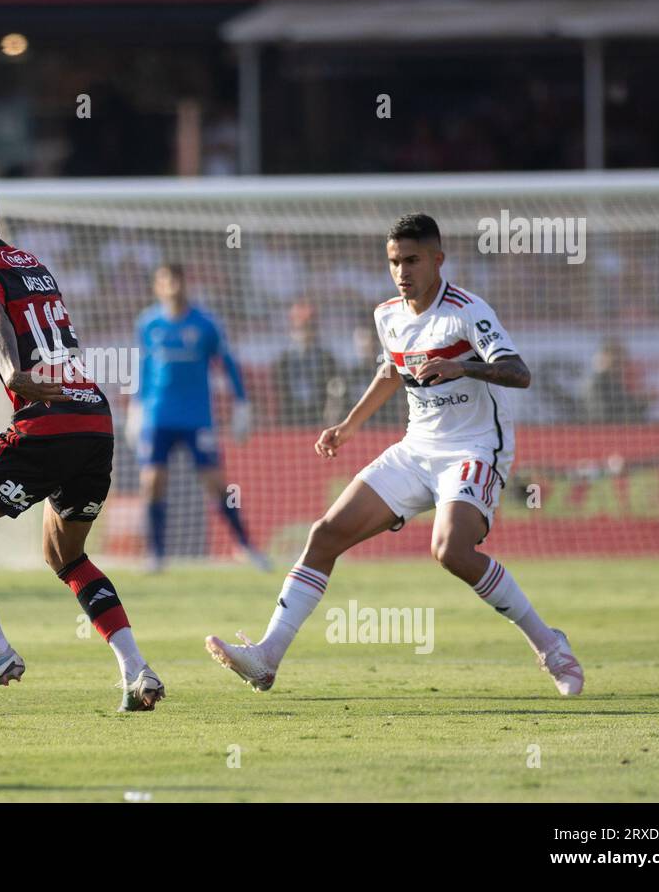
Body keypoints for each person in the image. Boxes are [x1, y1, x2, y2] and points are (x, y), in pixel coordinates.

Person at [206, 213, 584, 697]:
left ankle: (550, 644)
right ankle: (266, 657)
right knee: (324, 534)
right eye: (393, 262)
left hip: (473, 449)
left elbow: (518, 371)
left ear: (437, 260)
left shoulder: (467, 311)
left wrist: (461, 366)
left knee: (450, 551)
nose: (402, 271)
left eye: (412, 260)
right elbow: (390, 372)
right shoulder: (387, 315)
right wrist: (348, 425)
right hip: (416, 449)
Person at [0, 179, 164, 713]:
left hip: (48, 421)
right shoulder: (32, 263)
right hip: (94, 421)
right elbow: (24, 322)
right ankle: (136, 668)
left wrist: (9, 368)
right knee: (65, 554)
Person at [130, 262, 268, 572]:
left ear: (186, 283)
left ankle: (246, 547)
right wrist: (136, 408)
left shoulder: (206, 324)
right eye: (166, 281)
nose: (173, 287)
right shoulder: (149, 323)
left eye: (178, 280)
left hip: (196, 418)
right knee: (152, 482)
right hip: (158, 416)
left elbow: (228, 363)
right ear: (158, 286)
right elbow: (144, 367)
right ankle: (156, 555)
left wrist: (241, 404)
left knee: (216, 484)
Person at [273, 300, 341, 426]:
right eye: (299, 328)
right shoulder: (282, 361)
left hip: (318, 421)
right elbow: (278, 395)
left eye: (308, 327)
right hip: (290, 422)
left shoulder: (327, 359)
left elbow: (334, 390)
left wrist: (331, 416)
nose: (304, 332)